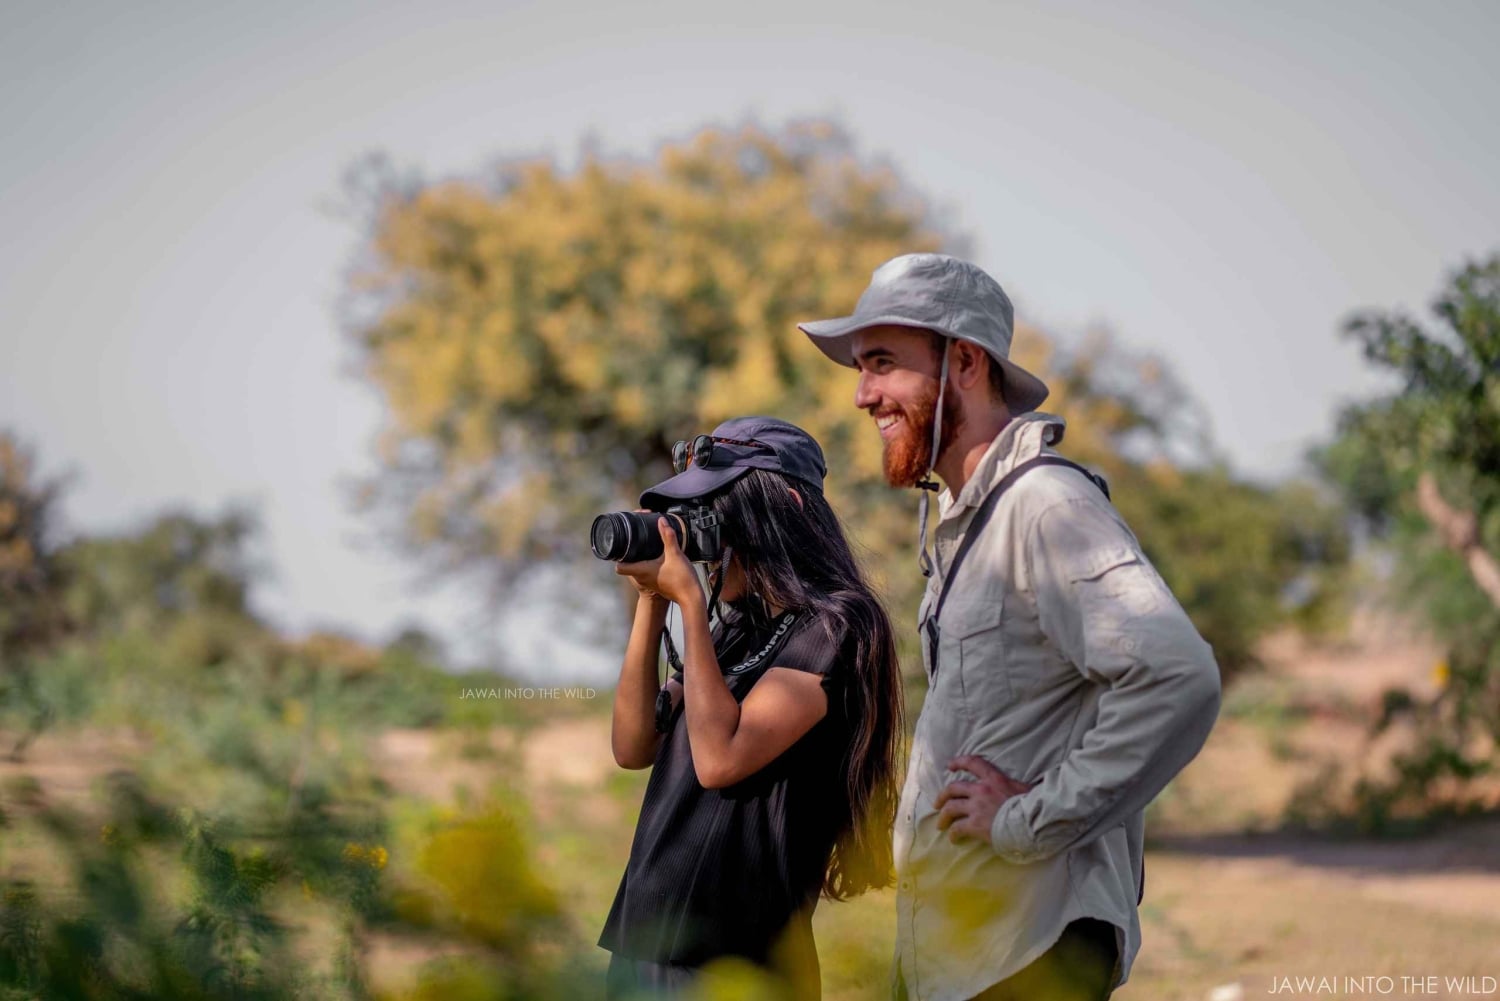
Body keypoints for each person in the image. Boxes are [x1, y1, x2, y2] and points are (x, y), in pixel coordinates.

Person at [798, 254, 1222, 1001]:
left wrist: (1027, 818)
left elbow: (1178, 677)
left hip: (1027, 953)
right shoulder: (971, 523)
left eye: (884, 363)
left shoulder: (1045, 506)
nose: (863, 394)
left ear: (963, 361)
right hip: (967, 955)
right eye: (861, 368)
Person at [598, 416, 906, 1000]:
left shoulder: (836, 625)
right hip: (644, 945)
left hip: (737, 962)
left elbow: (720, 760)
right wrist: (651, 601)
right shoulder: (732, 625)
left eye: (712, 510)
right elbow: (633, 746)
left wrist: (688, 599)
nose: (700, 535)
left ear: (774, 512)